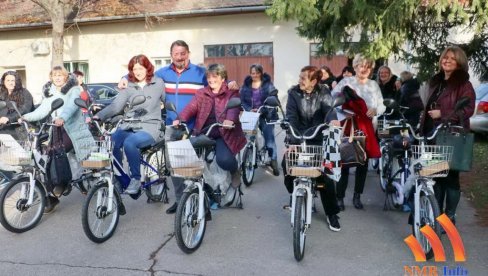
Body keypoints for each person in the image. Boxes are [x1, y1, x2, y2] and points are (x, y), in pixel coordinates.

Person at [118, 40, 238, 214]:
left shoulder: (200, 73)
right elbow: (142, 73)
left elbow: (217, 80)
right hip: (172, 125)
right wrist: (124, 77)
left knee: (195, 167)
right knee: (175, 166)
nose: (180, 57)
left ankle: (204, 199)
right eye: (176, 54)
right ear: (171, 55)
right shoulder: (163, 73)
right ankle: (182, 200)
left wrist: (232, 82)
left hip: (194, 127)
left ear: (188, 53)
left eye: (183, 53)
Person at [20, 66, 95, 213]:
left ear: (66, 76)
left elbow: (72, 106)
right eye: (55, 75)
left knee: (55, 155)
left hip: (72, 130)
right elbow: (42, 110)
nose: (58, 78)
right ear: (51, 77)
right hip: (56, 130)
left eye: (60, 75)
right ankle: (53, 193)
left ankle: (61, 183)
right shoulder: (51, 92)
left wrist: (62, 118)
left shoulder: (74, 90)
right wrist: (25, 117)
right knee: (46, 159)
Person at [173, 63, 246, 207]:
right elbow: (191, 107)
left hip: (224, 132)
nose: (211, 79)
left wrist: (229, 120)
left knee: (224, 160)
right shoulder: (202, 92)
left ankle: (234, 171)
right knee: (183, 153)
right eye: (209, 76)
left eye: (215, 76)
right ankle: (196, 186)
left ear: (222, 77)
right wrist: (181, 118)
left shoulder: (231, 92)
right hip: (205, 131)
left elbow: (234, 108)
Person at [419, 45, 475, 224]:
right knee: (435, 177)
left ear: (459, 62)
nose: (447, 60)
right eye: (445, 57)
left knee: (450, 178)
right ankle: (437, 215)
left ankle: (450, 216)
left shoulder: (464, 84)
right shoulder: (436, 82)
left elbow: (468, 109)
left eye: (452, 58)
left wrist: (442, 113)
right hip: (431, 134)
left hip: (451, 136)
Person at [282, 65, 342, 231]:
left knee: (326, 175)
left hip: (318, 138)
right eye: (300, 77)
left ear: (314, 81)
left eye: (303, 78)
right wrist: (293, 142)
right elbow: (291, 117)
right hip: (298, 137)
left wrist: (333, 120)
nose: (299, 80)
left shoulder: (323, 91)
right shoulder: (293, 93)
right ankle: (294, 194)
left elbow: (329, 109)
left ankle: (331, 213)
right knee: (287, 165)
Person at [96, 55, 165, 194]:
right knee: (111, 142)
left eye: (141, 68)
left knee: (130, 143)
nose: (138, 72)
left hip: (150, 126)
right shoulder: (128, 85)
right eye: (134, 69)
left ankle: (135, 178)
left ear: (147, 68)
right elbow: (116, 106)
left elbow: (168, 101)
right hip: (130, 124)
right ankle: (119, 177)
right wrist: (98, 116)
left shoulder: (158, 83)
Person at [332, 55, 385, 210]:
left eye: (368, 66)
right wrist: (344, 113)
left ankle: (357, 196)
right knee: (345, 163)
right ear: (355, 67)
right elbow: (333, 100)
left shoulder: (374, 85)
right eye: (361, 66)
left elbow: (382, 105)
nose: (364, 69)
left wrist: (376, 110)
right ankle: (340, 197)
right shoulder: (346, 82)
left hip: (367, 129)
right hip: (349, 127)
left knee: (363, 164)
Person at [240, 64, 280, 176]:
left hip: (266, 114)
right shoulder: (246, 85)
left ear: (261, 73)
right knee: (249, 137)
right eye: (253, 73)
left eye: (257, 73)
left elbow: (274, 97)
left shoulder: (268, 85)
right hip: (251, 114)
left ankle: (273, 160)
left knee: (269, 139)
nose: (255, 75)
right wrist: (248, 109)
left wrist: (264, 108)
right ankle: (252, 154)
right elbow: (241, 100)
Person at [0, 71, 33, 140]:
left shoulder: (24, 92)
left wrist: (9, 118)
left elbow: (25, 109)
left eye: (13, 80)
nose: (10, 83)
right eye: (8, 80)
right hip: (3, 129)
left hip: (19, 129)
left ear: (17, 81)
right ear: (4, 82)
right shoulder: (1, 94)